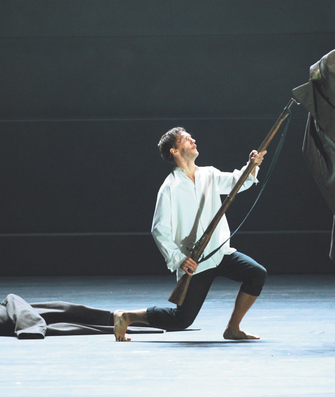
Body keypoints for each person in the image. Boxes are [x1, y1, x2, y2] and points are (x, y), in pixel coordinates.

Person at [113, 127, 267, 341]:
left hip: (220, 252)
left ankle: (233, 328)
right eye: (186, 139)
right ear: (175, 151)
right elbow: (159, 229)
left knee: (257, 273)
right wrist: (179, 258)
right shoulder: (170, 187)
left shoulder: (209, 174)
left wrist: (251, 165)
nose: (193, 140)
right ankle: (127, 316)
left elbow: (236, 182)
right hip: (196, 261)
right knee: (182, 320)